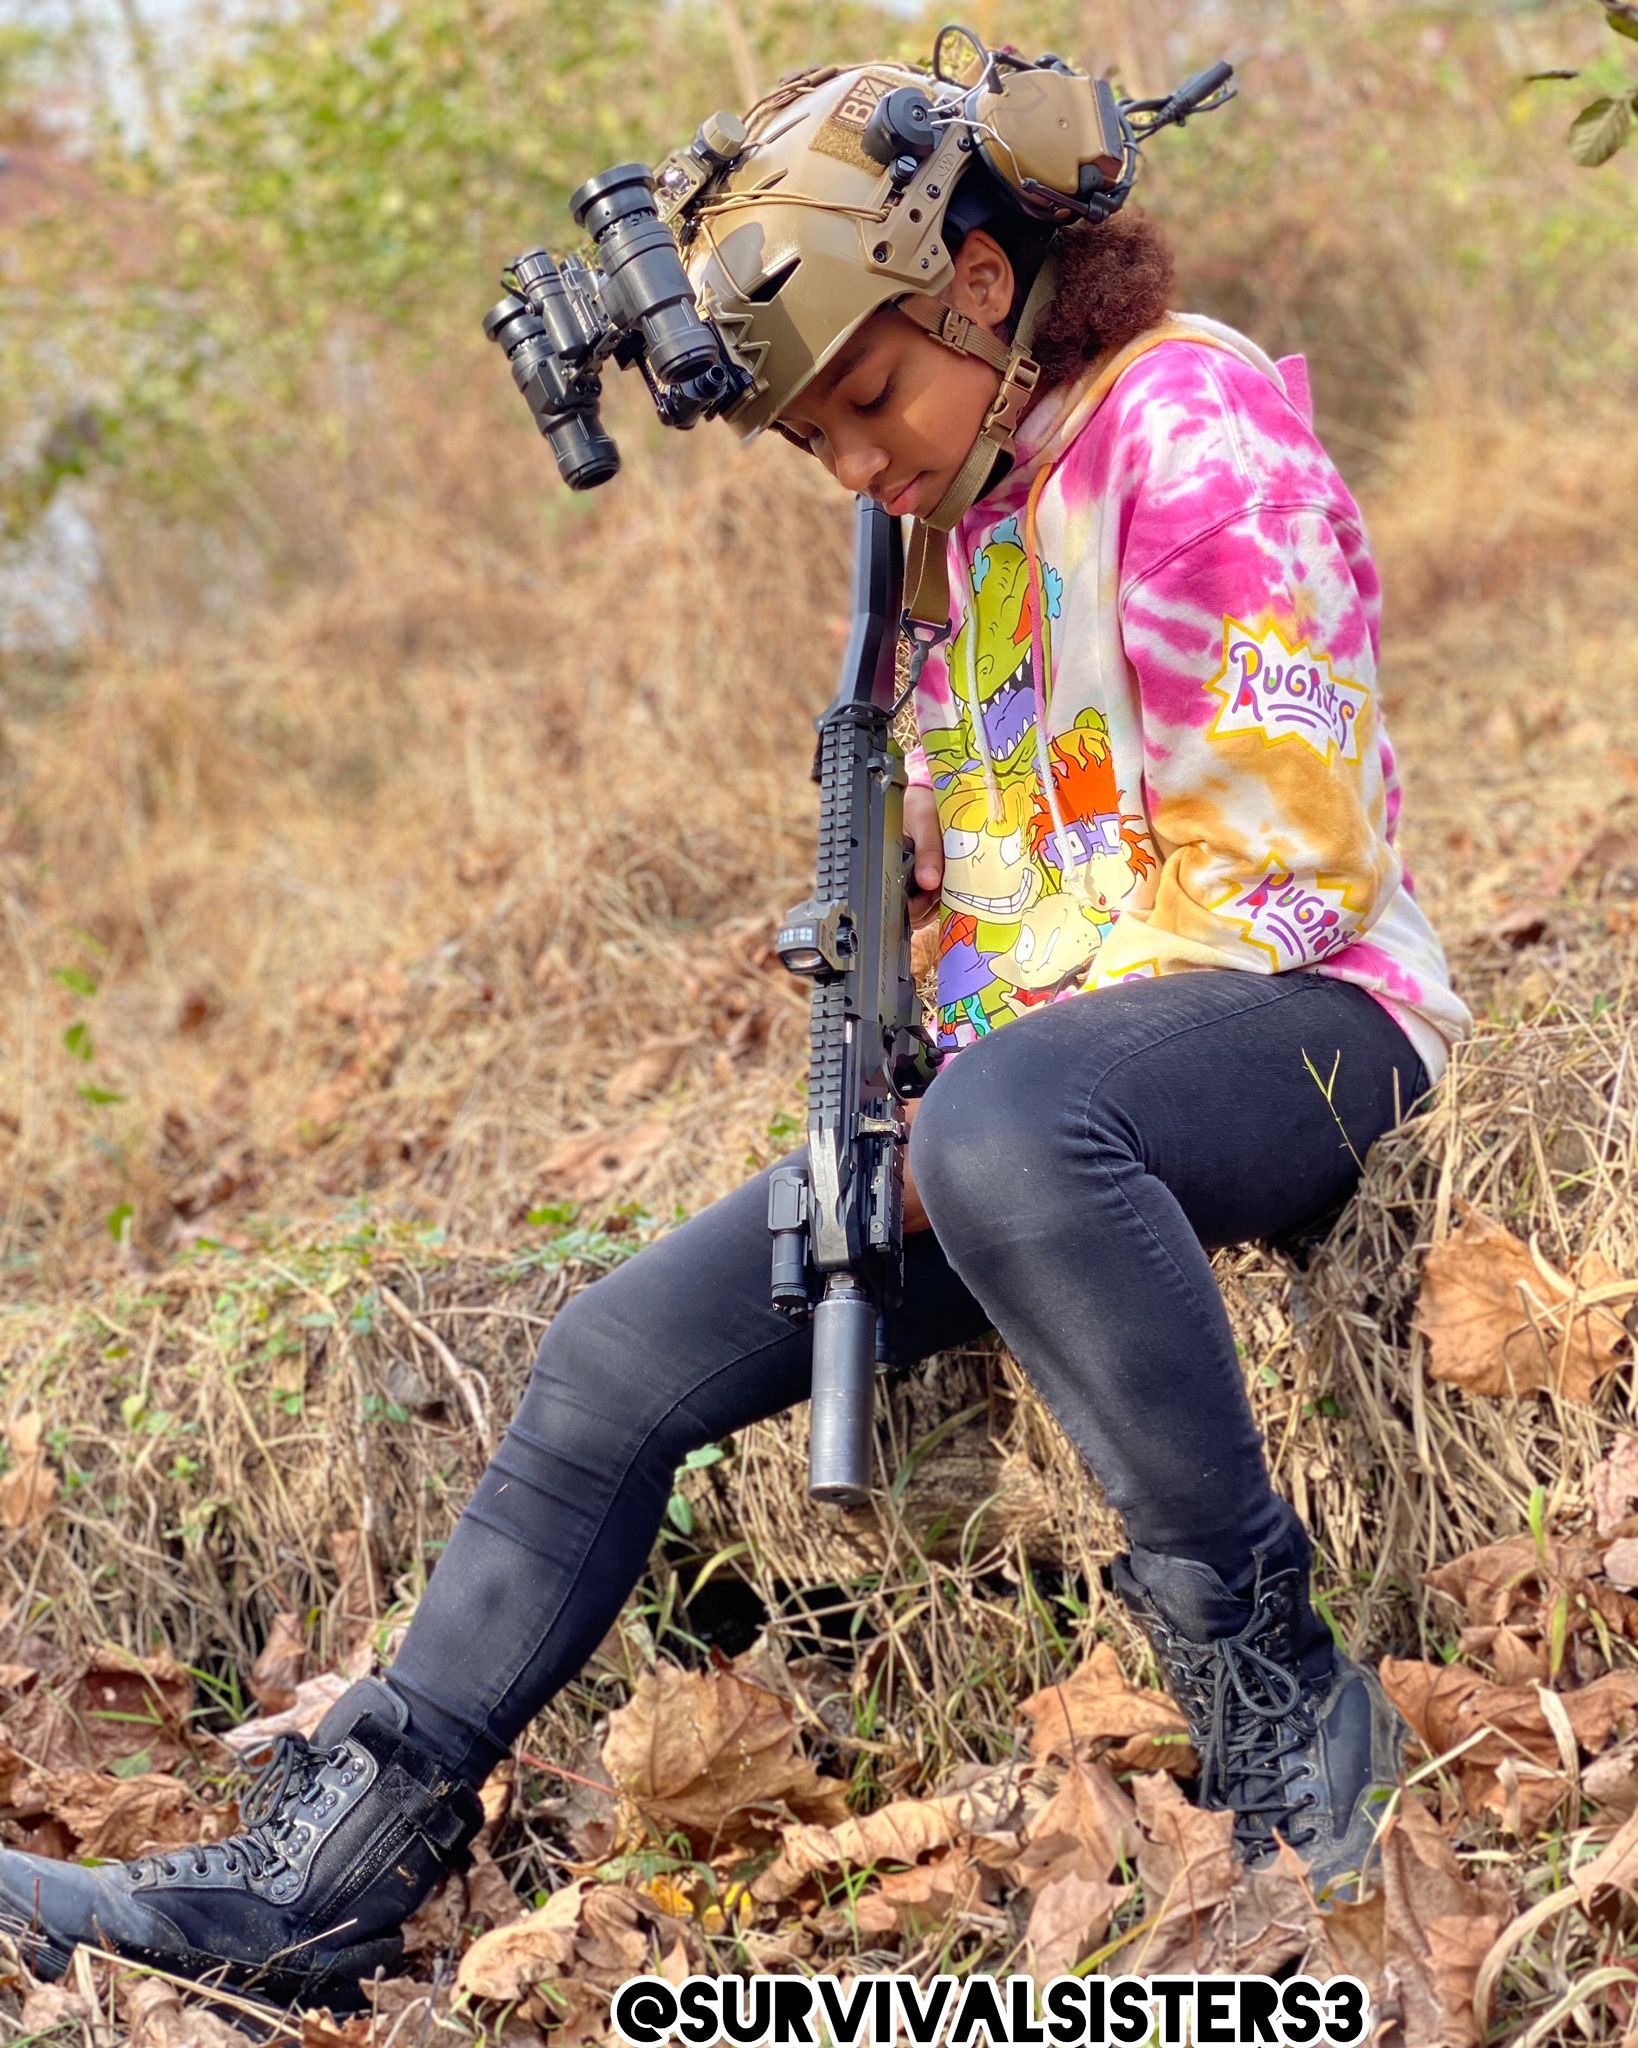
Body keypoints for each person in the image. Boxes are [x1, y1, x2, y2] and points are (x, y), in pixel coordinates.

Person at [0, 38, 1471, 2012]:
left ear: (974, 278)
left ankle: (1290, 1711)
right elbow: (980, 870)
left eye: (870, 398)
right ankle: (330, 1874)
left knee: (1009, 1131)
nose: (857, 462)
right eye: (816, 440)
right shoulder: (958, 521)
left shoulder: (1193, 434)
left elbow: (1286, 863)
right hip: (1027, 1117)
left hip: (1305, 1028)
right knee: (618, 1354)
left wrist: (978, 1086)